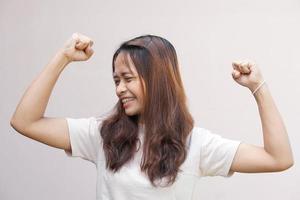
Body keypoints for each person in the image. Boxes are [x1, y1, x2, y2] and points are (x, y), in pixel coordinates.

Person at [10, 33, 294, 200]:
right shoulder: (102, 135)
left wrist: (258, 88)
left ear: (156, 80)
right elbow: (25, 121)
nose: (120, 89)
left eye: (128, 79)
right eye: (116, 80)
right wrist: (63, 56)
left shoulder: (196, 145)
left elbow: (278, 158)